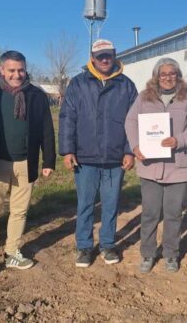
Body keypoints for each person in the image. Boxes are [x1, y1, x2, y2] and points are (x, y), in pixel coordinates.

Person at [0, 51, 55, 281]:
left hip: (26, 162)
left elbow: (46, 129)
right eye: (12, 70)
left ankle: (13, 251)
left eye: (21, 70)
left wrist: (48, 161)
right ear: (2, 70)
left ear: (26, 70)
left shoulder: (36, 95)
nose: (17, 75)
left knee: (19, 211)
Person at [59, 39, 137, 268]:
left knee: (111, 203)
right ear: (92, 57)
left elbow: (134, 121)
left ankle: (108, 244)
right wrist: (67, 150)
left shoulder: (126, 85)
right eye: (100, 55)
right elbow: (67, 118)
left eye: (108, 55)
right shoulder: (78, 84)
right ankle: (84, 247)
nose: (104, 59)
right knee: (85, 204)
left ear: (114, 56)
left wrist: (129, 151)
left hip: (115, 158)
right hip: (85, 157)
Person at [125, 58, 187, 273]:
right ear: (156, 76)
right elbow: (130, 122)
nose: (167, 77)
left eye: (172, 73)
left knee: (173, 213)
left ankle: (170, 254)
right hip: (151, 165)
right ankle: (148, 254)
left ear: (178, 75)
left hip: (178, 167)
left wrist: (179, 140)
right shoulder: (144, 98)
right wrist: (135, 145)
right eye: (163, 74)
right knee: (150, 213)